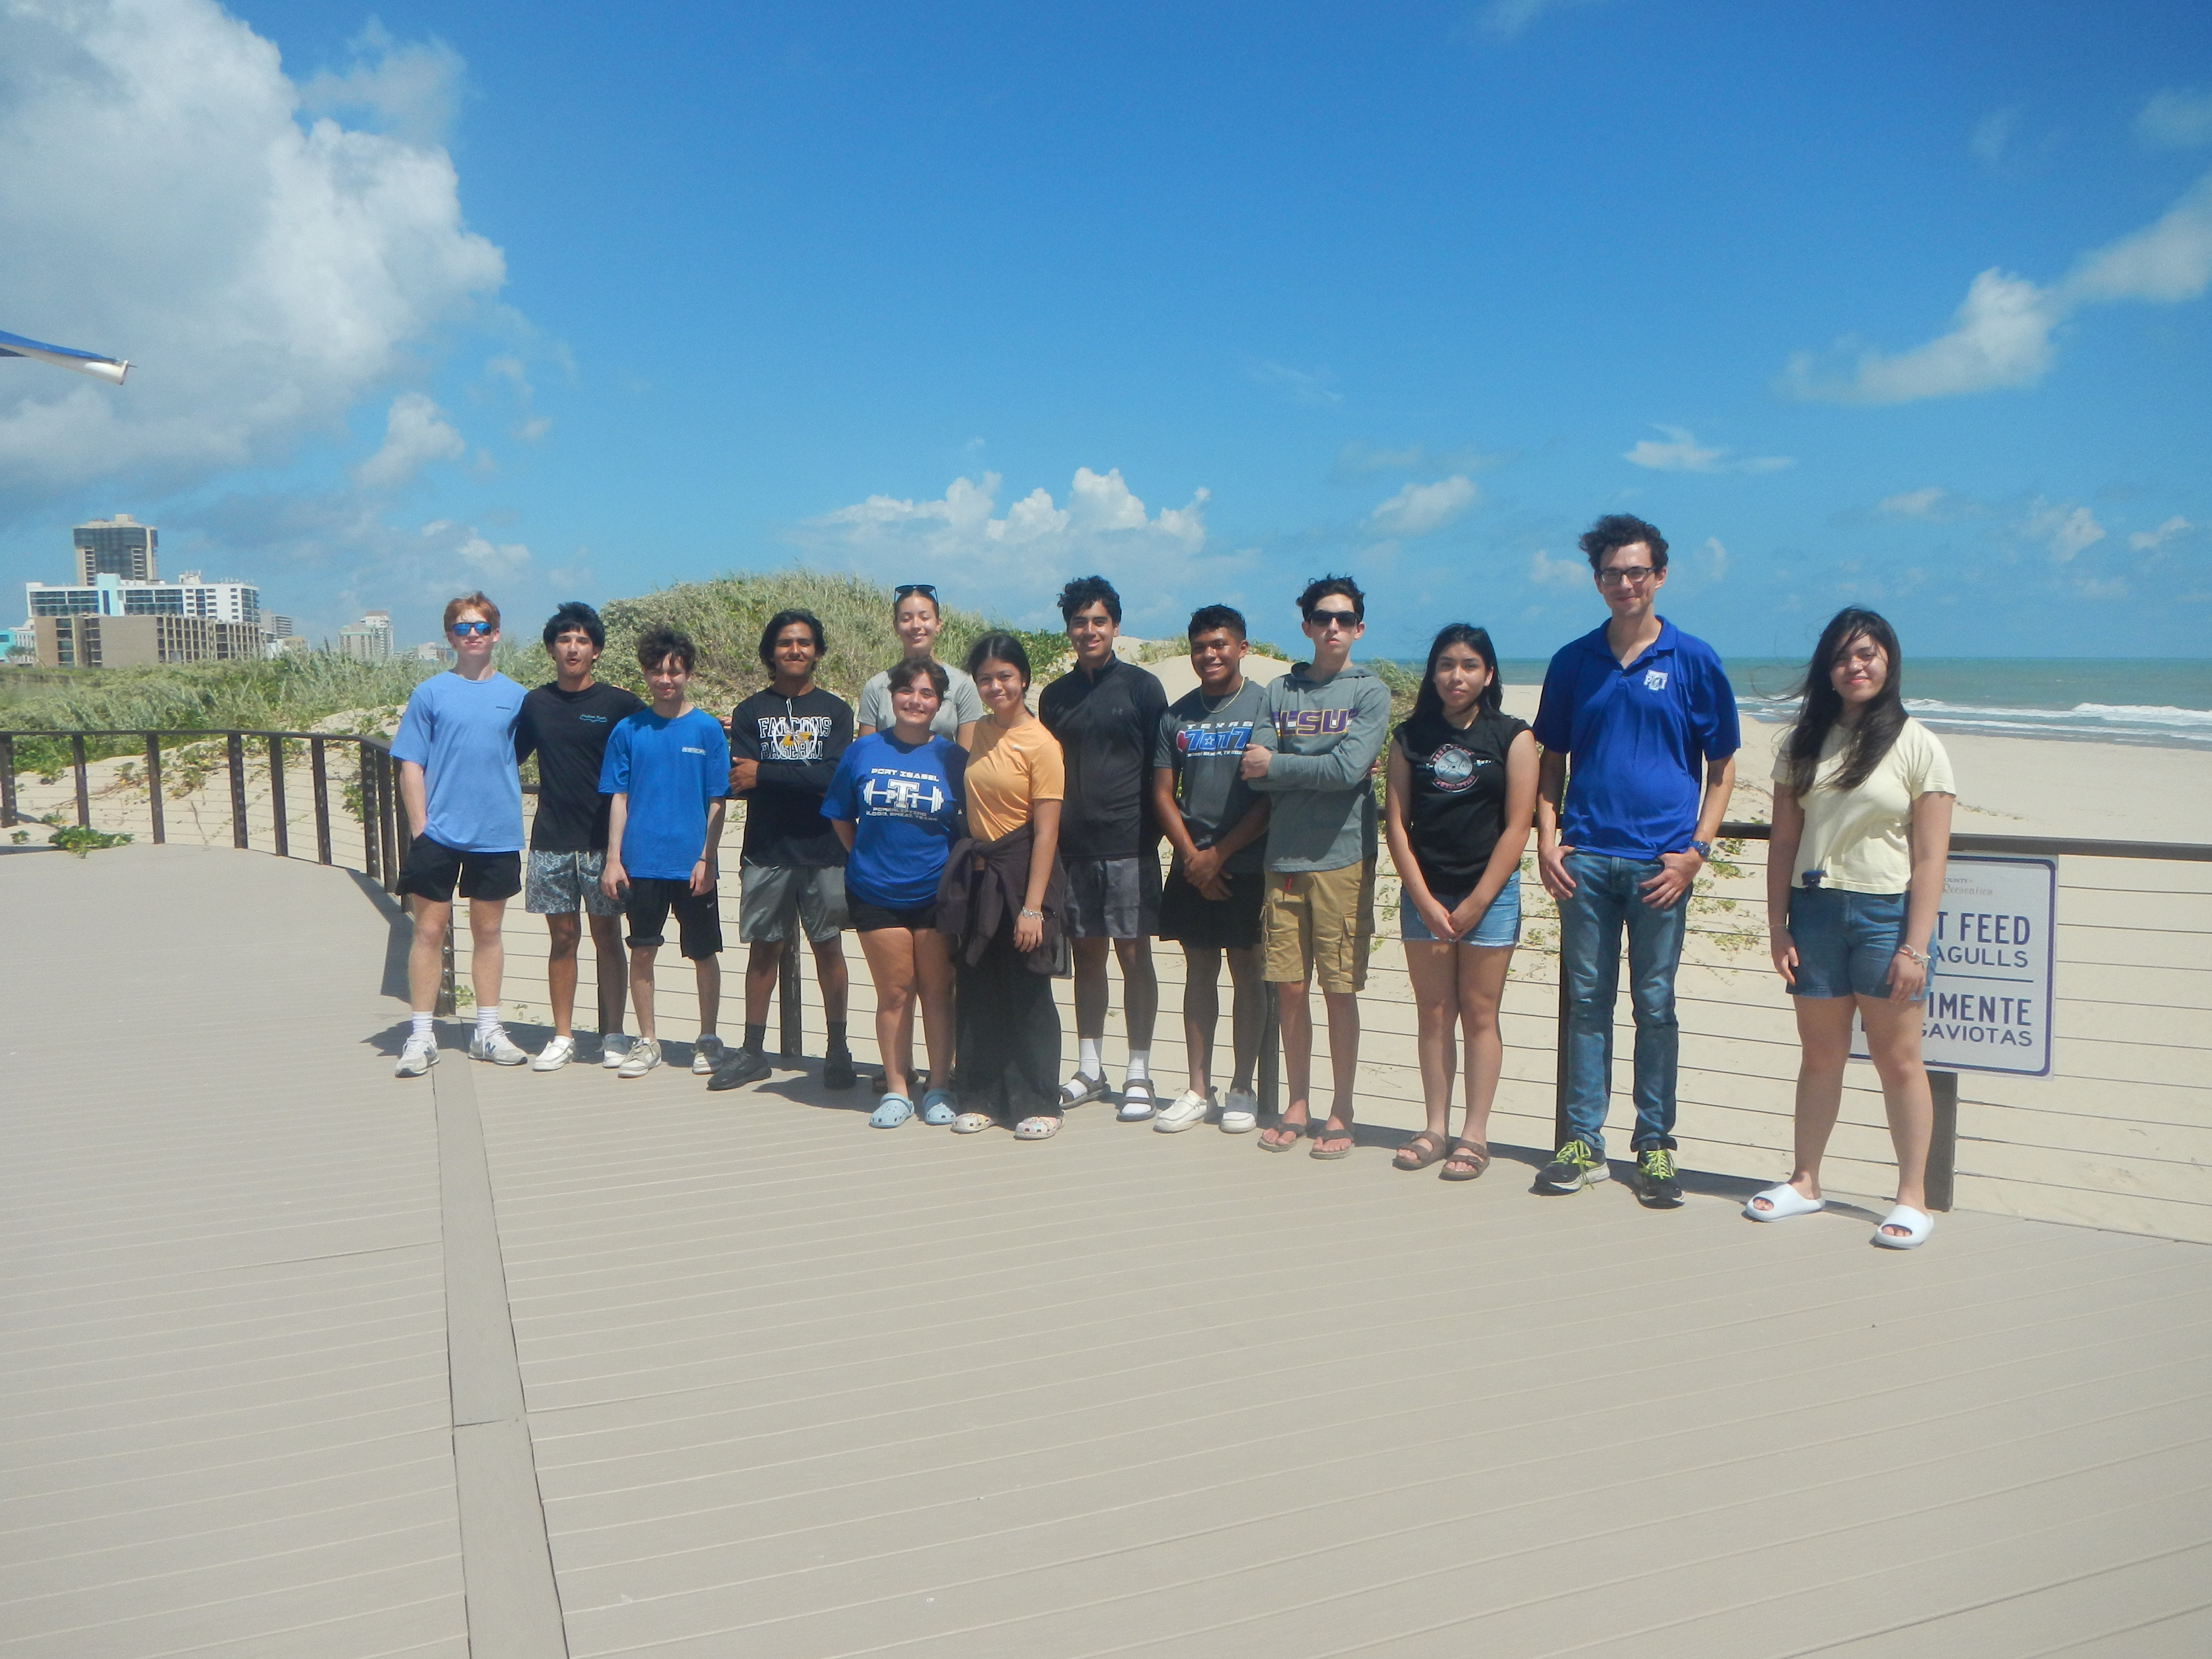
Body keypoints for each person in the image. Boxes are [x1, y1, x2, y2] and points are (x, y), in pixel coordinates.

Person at [1533, 514, 1739, 1207]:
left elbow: (1723, 768)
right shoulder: (1572, 663)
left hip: (1661, 867)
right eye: (1613, 573)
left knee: (1655, 1006)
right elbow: (1550, 761)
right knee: (1586, 1004)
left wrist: (1696, 854)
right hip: (1585, 860)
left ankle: (1654, 1146)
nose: (1626, 583)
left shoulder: (1694, 660)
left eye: (1637, 571)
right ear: (1597, 582)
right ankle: (1582, 1144)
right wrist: (1547, 838)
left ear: (1660, 576)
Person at [1751, 608, 1954, 1250]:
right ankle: (1806, 1181)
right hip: (1814, 913)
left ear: (1889, 661)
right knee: (1820, 1057)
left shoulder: (1919, 744)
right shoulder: (1802, 744)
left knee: (1898, 1061)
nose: (1855, 666)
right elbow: (1784, 844)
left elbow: (1930, 859)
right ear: (1827, 668)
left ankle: (1912, 1199)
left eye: (1867, 654)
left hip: (1885, 915)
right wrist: (1778, 926)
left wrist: (1914, 946)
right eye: (1843, 656)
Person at [1240, 575, 1393, 1159]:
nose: (1334, 627)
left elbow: (1348, 771)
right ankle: (1297, 1102)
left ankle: (1342, 1107)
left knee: (1338, 990)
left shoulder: (1369, 692)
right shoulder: (1279, 690)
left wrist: (1281, 763)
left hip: (1343, 858)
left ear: (1359, 627)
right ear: (1306, 625)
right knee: (1290, 989)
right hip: (1283, 858)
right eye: (1324, 617)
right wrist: (1294, 765)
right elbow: (1252, 764)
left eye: (1346, 618)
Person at [1383, 624, 1537, 1180]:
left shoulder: (1513, 736)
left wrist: (1478, 900)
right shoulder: (1411, 737)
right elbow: (1397, 823)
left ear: (1489, 674)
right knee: (1433, 1013)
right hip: (1426, 893)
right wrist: (1422, 897)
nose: (1457, 676)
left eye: (1470, 665)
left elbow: (1519, 825)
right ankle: (1434, 1127)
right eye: (1447, 664)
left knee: (1479, 1014)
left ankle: (1474, 1135)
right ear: (1433, 673)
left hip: (1488, 896)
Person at [709, 610, 858, 1093]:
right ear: (771, 652)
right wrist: (799, 778)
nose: (796, 650)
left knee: (829, 950)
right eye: (786, 643)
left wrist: (769, 773)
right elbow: (742, 781)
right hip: (767, 850)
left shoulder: (836, 711)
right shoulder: (752, 711)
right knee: (763, 951)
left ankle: (838, 1049)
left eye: (805, 643)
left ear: (817, 651)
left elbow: (835, 778)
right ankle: (754, 1051)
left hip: (824, 850)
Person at [1037, 575, 1170, 1119]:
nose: (1089, 630)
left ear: (1115, 626)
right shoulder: (1054, 697)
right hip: (1073, 850)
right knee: (1087, 955)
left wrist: (1152, 835)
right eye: (1079, 621)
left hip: (1131, 845)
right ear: (1068, 629)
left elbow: (1165, 770)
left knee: (1135, 956)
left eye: (1099, 621)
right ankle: (1090, 1067)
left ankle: (1139, 1070)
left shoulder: (1143, 688)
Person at [935, 633, 1071, 1139]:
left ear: (1024, 679)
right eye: (986, 678)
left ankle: (1041, 1100)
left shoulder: (1042, 743)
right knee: (978, 985)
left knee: (1026, 987)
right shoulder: (979, 735)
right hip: (979, 874)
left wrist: (1033, 908)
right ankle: (982, 1094)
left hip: (1022, 875)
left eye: (1005, 677)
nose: (996, 687)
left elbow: (1048, 832)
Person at [821, 659, 967, 1127]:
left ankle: (939, 1085)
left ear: (939, 705)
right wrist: (863, 855)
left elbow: (969, 824)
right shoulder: (862, 751)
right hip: (875, 890)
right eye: (907, 691)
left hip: (936, 891)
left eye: (927, 695)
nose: (916, 701)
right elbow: (841, 815)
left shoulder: (952, 758)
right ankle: (898, 1088)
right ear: (891, 697)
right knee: (895, 992)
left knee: (938, 993)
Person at [391, 592, 528, 1078]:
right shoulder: (430, 693)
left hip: (497, 833)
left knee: (488, 932)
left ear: (495, 634)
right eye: (463, 628)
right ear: (450, 636)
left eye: (482, 628)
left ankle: (487, 1030)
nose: (474, 636)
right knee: (428, 931)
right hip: (440, 835)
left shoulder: (517, 696)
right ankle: (421, 1034)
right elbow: (411, 762)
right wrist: (420, 828)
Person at [1149, 604, 1272, 1134]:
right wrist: (1193, 858)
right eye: (1201, 647)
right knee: (1199, 970)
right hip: (1190, 862)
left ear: (1242, 648)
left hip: (1246, 862)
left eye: (1220, 645)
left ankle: (1243, 1087)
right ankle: (1199, 1088)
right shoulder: (1177, 715)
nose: (1210, 655)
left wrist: (1219, 856)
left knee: (1248, 970)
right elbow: (1162, 792)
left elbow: (1271, 799)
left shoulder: (1266, 707)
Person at [514, 602, 644, 1071]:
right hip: (550, 838)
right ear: (552, 649)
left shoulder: (620, 704)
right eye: (565, 640)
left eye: (583, 641)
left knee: (608, 936)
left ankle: (613, 1034)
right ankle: (563, 1035)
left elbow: (656, 744)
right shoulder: (536, 704)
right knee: (563, 939)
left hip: (603, 844)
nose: (573, 648)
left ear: (597, 652)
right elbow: (503, 759)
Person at [597, 626, 731, 1079]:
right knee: (643, 951)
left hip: (692, 862)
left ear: (688, 673)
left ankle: (708, 1037)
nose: (665, 680)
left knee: (704, 952)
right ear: (646, 675)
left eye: (674, 671)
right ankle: (648, 1039)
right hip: (642, 860)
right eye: (656, 671)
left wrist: (707, 858)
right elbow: (619, 797)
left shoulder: (708, 729)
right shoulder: (628, 730)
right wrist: (614, 859)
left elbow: (718, 799)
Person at [854, 583, 983, 745]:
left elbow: (967, 756)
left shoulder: (963, 685)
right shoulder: (877, 685)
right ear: (896, 627)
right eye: (906, 619)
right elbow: (865, 752)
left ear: (938, 624)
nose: (916, 626)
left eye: (925, 618)